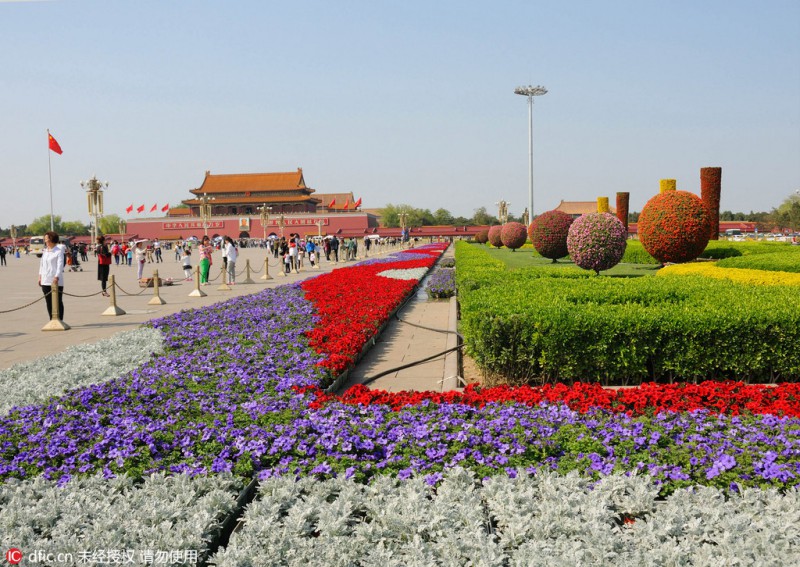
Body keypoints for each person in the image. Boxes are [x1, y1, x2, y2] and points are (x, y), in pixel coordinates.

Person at [38, 231, 65, 321]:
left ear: (52, 239)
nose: (45, 241)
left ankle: (60, 319)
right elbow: (41, 265)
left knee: (58, 301)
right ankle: (52, 319)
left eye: (47, 239)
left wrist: (56, 276)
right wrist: (40, 276)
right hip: (45, 280)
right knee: (48, 302)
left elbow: (60, 265)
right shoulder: (45, 251)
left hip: (56, 280)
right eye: (45, 239)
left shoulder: (58, 251)